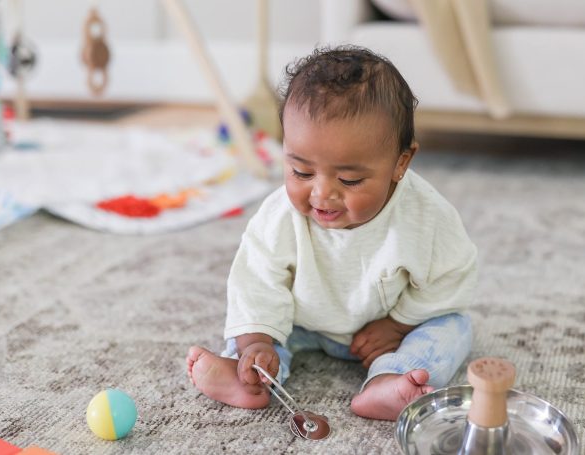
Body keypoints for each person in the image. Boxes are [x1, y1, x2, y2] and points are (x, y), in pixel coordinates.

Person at [186, 45, 477, 421]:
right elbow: (256, 280)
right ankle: (249, 377)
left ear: (400, 163)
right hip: (301, 322)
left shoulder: (426, 215)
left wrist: (399, 323)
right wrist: (258, 340)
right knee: (254, 335)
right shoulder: (279, 217)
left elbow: (453, 274)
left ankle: (390, 379)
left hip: (390, 329)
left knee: (455, 327)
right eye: (301, 172)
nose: (322, 193)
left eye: (349, 179)